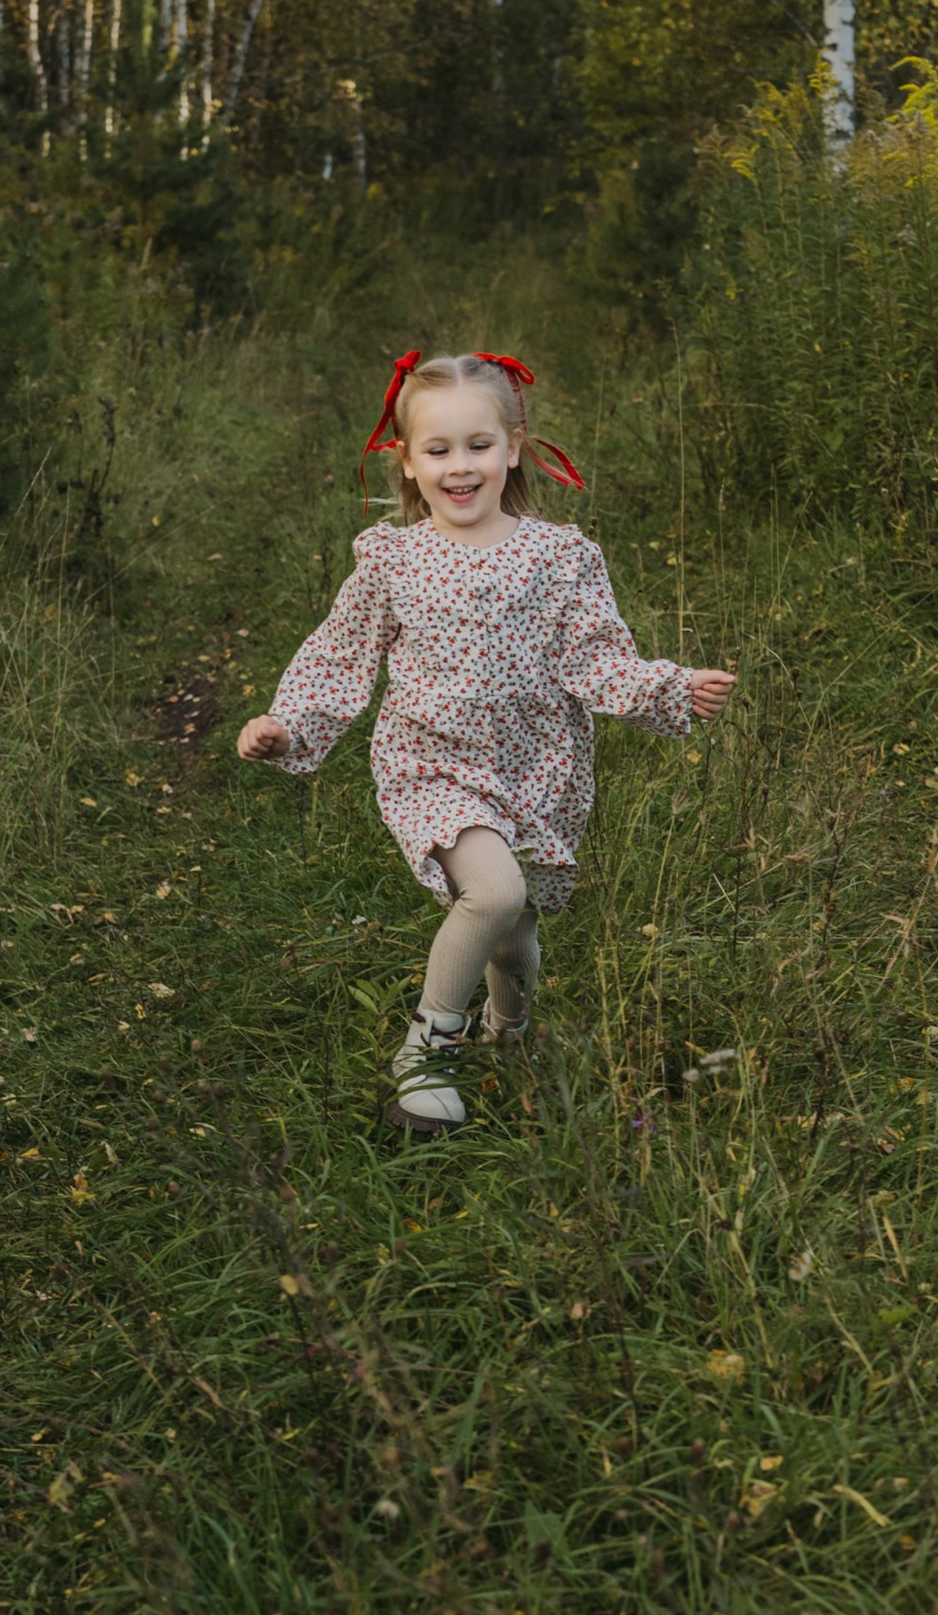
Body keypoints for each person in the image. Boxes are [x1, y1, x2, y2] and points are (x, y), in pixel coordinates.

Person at [236, 349, 736, 1131]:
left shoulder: (560, 557)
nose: (459, 467)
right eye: (437, 450)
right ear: (405, 461)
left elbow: (597, 657)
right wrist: (286, 724)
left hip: (537, 769)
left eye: (477, 445)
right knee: (494, 892)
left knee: (516, 935)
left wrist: (670, 688)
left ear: (513, 445)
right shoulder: (393, 560)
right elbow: (341, 654)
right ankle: (428, 1049)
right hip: (432, 764)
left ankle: (511, 1036)